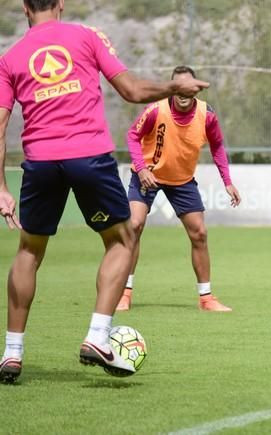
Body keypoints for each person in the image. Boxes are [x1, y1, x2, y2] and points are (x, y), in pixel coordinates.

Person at [0, 0, 209, 383]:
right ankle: (98, 335)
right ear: (60, 4)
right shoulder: (86, 36)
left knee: (29, 250)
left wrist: (0, 187)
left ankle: (11, 353)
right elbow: (130, 90)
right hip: (88, 156)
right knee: (122, 239)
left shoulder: (10, 57)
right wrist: (173, 86)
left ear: (25, 7)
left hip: (41, 161)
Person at [116, 65, 241, 313]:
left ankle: (206, 299)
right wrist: (141, 169)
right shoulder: (155, 109)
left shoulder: (208, 115)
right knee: (134, 226)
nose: (184, 92)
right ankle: (123, 294)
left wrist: (227, 181)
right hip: (147, 176)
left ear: (195, 88)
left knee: (200, 233)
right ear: (173, 88)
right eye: (178, 87)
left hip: (182, 180)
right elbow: (132, 135)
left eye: (188, 87)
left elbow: (217, 146)